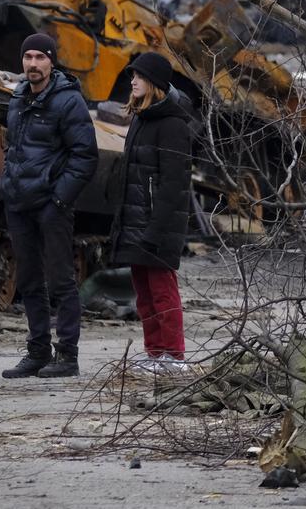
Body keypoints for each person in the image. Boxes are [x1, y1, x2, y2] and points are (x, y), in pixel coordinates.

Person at [0, 33, 98, 379]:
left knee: (60, 281)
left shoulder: (68, 102)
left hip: (51, 205)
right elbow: (15, 148)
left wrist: (60, 198)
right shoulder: (17, 97)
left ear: (52, 61)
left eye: (40, 57)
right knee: (28, 280)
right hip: (19, 201)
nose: (33, 64)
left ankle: (67, 355)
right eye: (28, 57)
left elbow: (85, 155)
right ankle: (37, 350)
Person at [110, 54, 194, 373]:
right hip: (136, 222)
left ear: (155, 84)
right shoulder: (140, 120)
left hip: (157, 225)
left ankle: (173, 355)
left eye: (139, 77)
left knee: (162, 292)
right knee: (144, 295)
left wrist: (155, 229)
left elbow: (174, 184)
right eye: (133, 75)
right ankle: (155, 353)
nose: (132, 81)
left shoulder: (173, 125)